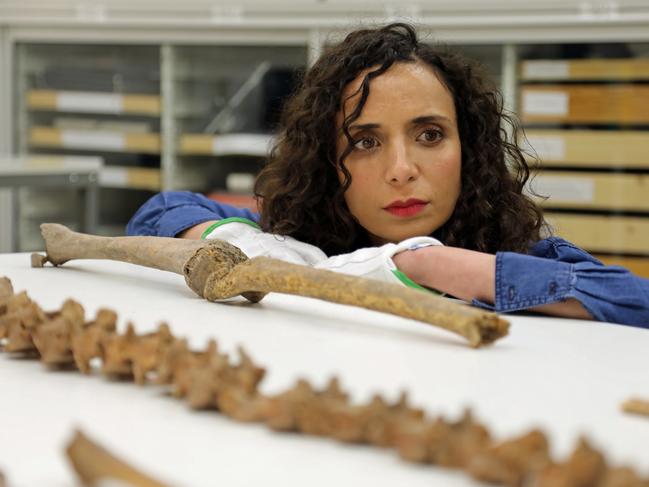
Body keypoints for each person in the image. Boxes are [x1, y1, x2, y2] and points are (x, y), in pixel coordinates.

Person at [127, 23, 649, 327]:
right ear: (328, 165)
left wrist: (429, 266)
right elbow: (159, 211)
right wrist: (254, 248)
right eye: (365, 142)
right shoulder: (309, 243)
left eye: (429, 135)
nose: (401, 171)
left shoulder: (515, 256)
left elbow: (633, 301)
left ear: (469, 148)